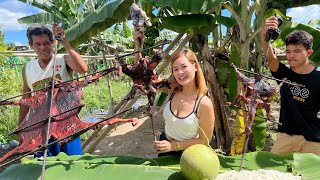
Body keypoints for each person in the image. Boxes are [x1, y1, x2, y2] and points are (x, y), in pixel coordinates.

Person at [19, 24, 88, 156]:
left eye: (46, 43)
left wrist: (65, 42)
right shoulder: (27, 68)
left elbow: (83, 69)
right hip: (40, 128)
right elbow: (25, 100)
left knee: (72, 165)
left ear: (52, 42)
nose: (43, 47)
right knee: (45, 168)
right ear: (30, 45)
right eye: (37, 44)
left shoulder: (63, 60)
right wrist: (22, 130)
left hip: (66, 125)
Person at [261, 16, 320, 155]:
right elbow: (270, 59)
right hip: (286, 137)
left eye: (297, 51)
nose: (291, 55)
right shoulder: (284, 74)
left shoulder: (318, 78)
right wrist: (264, 36)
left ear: (309, 53)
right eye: (288, 51)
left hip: (314, 140)